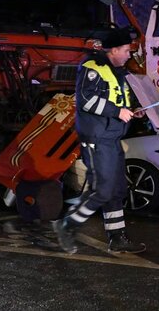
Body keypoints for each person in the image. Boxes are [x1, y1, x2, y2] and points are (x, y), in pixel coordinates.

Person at [53, 28, 146, 254]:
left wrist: (134, 109)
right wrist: (118, 112)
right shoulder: (92, 67)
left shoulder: (117, 71)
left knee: (116, 190)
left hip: (111, 138)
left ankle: (117, 237)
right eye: (126, 50)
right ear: (113, 50)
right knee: (102, 190)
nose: (129, 55)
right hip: (97, 139)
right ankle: (67, 225)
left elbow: (119, 98)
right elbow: (86, 100)